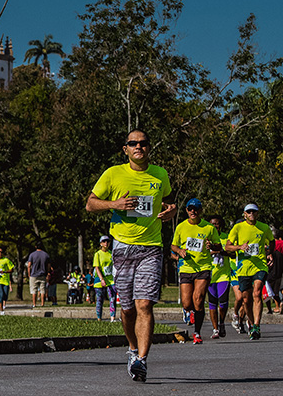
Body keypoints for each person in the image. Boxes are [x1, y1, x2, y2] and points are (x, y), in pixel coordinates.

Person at [86, 129, 176, 382]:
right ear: (125, 149)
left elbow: (167, 200)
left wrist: (171, 210)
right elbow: (90, 204)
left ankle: (142, 361)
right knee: (126, 309)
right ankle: (132, 348)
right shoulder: (113, 174)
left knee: (144, 304)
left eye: (143, 143)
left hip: (151, 247)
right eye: (133, 143)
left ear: (149, 147)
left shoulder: (160, 174)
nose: (139, 147)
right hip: (123, 247)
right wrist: (114, 204)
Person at [170, 199, 222, 344]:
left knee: (198, 300)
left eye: (196, 209)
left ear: (200, 211)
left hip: (203, 267)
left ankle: (197, 333)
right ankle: (190, 313)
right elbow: (173, 246)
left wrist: (212, 245)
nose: (193, 211)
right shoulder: (181, 227)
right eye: (190, 209)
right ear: (187, 210)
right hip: (186, 268)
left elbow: (219, 247)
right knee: (187, 303)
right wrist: (179, 250)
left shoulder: (209, 228)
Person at [226, 203, 275, 340]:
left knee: (257, 292)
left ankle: (257, 325)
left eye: (254, 212)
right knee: (246, 299)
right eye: (249, 212)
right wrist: (239, 247)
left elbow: (272, 241)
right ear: (244, 214)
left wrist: (269, 252)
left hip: (260, 265)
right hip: (243, 268)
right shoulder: (238, 227)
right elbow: (228, 247)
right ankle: (251, 323)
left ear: (257, 214)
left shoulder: (264, 227)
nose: (251, 214)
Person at [207, 215, 232, 339]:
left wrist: (219, 251)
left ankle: (222, 323)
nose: (214, 226)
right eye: (212, 224)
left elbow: (232, 253)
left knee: (223, 302)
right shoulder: (206, 238)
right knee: (212, 303)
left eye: (216, 224)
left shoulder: (226, 237)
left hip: (223, 275)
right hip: (210, 275)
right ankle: (215, 329)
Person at [93, 235, 117, 322]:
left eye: (107, 241)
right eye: (104, 241)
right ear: (101, 243)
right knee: (99, 300)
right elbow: (97, 268)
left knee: (112, 298)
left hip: (110, 280)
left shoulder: (111, 253)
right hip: (99, 280)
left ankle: (112, 318)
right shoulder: (97, 254)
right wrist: (101, 279)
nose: (106, 243)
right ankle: (99, 318)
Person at [26, 242, 50, 308]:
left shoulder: (32, 255)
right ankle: (42, 303)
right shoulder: (46, 255)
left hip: (34, 274)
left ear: (36, 246)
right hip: (43, 274)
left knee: (34, 290)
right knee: (42, 290)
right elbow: (48, 265)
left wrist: (29, 274)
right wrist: (47, 272)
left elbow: (29, 265)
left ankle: (34, 304)